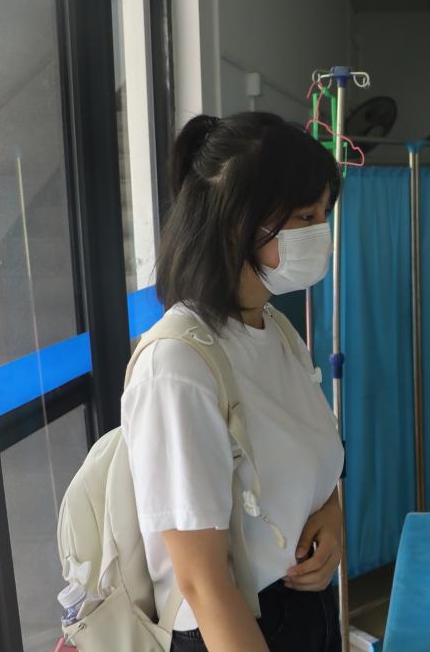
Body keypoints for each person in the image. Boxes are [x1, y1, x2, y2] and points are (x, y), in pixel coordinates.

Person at [122, 112, 345, 652]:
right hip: (236, 625)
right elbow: (203, 584)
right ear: (234, 222)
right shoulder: (178, 364)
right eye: (305, 215)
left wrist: (330, 518)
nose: (322, 232)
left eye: (325, 214)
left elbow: (310, 465)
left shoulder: (276, 330)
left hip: (303, 605)